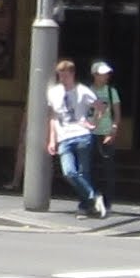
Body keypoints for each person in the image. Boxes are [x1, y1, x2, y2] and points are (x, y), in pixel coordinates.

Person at [46, 58, 107, 219]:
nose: (62, 79)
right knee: (69, 172)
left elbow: (101, 107)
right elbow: (53, 116)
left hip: (82, 135)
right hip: (64, 137)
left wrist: (93, 123)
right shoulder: (54, 92)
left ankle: (85, 207)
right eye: (60, 76)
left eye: (65, 76)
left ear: (72, 75)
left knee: (83, 173)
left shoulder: (83, 91)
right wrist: (52, 139)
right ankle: (94, 197)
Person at [89, 61, 121, 210]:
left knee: (108, 169)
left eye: (107, 74)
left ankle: (107, 202)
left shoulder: (111, 91)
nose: (105, 76)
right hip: (90, 133)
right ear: (95, 75)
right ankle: (92, 199)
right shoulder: (88, 91)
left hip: (106, 133)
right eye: (102, 74)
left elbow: (117, 113)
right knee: (90, 168)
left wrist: (113, 130)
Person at [3, 108, 26, 191]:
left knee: (21, 157)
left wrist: (21, 133)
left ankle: (16, 182)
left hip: (30, 131)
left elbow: (26, 117)